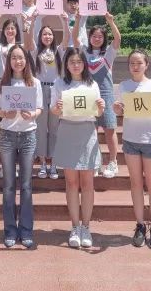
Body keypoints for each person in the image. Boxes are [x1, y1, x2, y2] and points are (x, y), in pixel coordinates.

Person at [114, 50, 151, 250]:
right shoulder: (123, 86)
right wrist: (117, 109)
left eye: (139, 63)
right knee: (136, 184)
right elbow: (119, 110)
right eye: (132, 63)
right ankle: (140, 225)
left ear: (146, 65)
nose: (135, 66)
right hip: (131, 140)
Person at [51, 47, 106, 249]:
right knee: (71, 182)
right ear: (66, 64)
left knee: (88, 183)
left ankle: (86, 227)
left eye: (79, 61)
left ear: (84, 64)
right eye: (72, 61)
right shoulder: (59, 83)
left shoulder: (92, 84)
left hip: (87, 132)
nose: (75, 65)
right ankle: (75, 227)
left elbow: (98, 112)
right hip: (67, 130)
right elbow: (53, 109)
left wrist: (101, 108)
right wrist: (56, 108)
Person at [0, 44, 42, 248]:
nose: (18, 61)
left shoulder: (34, 82)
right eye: (14, 58)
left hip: (28, 135)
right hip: (7, 136)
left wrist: (33, 114)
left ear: (26, 60)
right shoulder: (3, 82)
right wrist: (5, 113)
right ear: (9, 61)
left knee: (27, 185)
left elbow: (39, 108)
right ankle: (10, 230)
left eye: (21, 57)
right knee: (9, 185)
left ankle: (26, 230)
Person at [24, 12, 70, 180]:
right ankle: (43, 162)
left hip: (55, 90)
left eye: (50, 34)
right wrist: (33, 21)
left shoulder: (58, 51)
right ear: (40, 36)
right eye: (44, 34)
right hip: (40, 90)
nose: (47, 36)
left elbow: (67, 39)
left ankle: (54, 163)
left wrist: (64, 21)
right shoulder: (36, 51)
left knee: (55, 128)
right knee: (41, 128)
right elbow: (28, 42)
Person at [78, 12, 121, 178]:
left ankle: (113, 162)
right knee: (91, 131)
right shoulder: (84, 52)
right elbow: (74, 38)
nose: (97, 39)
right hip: (89, 95)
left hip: (106, 94)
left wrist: (110, 21)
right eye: (94, 36)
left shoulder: (108, 53)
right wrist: (78, 19)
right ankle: (94, 162)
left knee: (109, 129)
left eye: (100, 36)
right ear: (89, 38)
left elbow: (117, 39)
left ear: (104, 39)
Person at [0, 14, 25, 167]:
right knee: (5, 123)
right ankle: (7, 164)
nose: (10, 31)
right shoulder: (0, 47)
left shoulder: (21, 47)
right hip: (4, 84)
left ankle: (18, 162)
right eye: (7, 28)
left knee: (20, 123)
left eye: (13, 28)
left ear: (17, 31)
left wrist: (26, 23)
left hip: (19, 85)